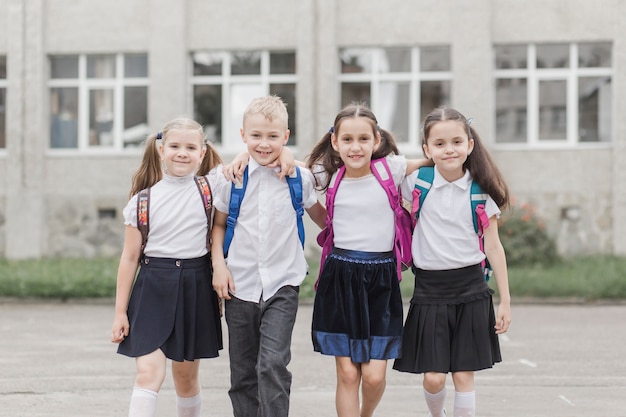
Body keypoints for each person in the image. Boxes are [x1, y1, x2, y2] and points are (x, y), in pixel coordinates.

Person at [307, 102, 429, 417]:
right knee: (348, 374)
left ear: (376, 140)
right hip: (340, 277)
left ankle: (366, 413)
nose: (355, 146)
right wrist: (241, 156)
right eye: (347, 139)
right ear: (335, 142)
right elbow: (287, 165)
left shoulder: (392, 168)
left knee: (374, 376)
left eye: (363, 139)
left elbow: (438, 158)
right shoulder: (327, 173)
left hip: (381, 280)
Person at [211, 95, 326, 417]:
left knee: (273, 363)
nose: (264, 144)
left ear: (285, 137)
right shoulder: (230, 178)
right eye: (256, 136)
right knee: (243, 372)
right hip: (238, 284)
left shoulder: (298, 178)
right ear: (243, 135)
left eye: (273, 137)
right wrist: (218, 266)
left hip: (282, 283)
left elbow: (323, 217)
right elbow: (218, 226)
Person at [393, 107, 512, 417]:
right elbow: (375, 168)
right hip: (430, 290)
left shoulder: (480, 190)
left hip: (471, 288)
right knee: (433, 378)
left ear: (469, 145)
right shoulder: (417, 180)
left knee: (463, 374)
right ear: (426, 149)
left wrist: (506, 301)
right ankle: (437, 413)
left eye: (457, 142)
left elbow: (494, 247)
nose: (449, 150)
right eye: (440, 144)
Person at [110, 118, 223, 417]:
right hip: (152, 288)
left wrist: (288, 155)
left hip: (196, 286)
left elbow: (255, 154)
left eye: (190, 147)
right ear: (161, 150)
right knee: (148, 374)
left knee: (186, 379)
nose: (182, 153)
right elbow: (130, 258)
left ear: (202, 153)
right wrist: (120, 312)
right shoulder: (141, 202)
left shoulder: (212, 187)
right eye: (174, 146)